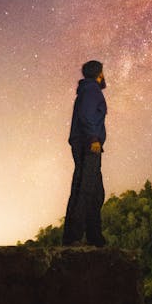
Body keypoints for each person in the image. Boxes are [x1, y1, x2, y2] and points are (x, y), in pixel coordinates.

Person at [62, 60, 107, 247]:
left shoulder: (86, 90)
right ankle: (73, 236)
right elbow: (87, 114)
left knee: (96, 192)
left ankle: (94, 236)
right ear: (99, 74)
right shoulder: (92, 90)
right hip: (89, 143)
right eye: (103, 72)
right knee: (86, 187)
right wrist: (93, 138)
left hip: (84, 141)